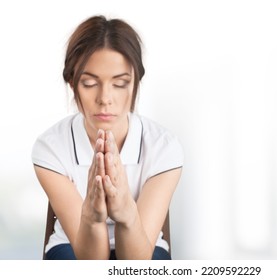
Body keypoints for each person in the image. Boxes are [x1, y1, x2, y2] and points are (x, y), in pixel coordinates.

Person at [31, 15, 183, 260]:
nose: (105, 98)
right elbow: (92, 261)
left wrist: (126, 213)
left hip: (144, 247)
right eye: (89, 83)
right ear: (72, 83)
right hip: (74, 246)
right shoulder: (50, 148)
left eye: (120, 83)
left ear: (136, 82)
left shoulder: (164, 147)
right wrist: (91, 217)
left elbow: (136, 263)